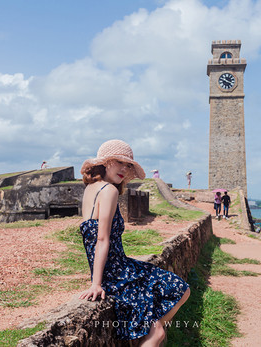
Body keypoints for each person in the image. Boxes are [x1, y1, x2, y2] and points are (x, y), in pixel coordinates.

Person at [79, 139, 190, 346]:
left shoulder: (91, 189)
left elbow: (92, 237)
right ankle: (149, 333)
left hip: (113, 269)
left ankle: (146, 331)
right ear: (106, 162)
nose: (124, 169)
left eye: (128, 165)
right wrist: (96, 284)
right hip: (118, 274)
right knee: (179, 294)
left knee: (176, 297)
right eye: (120, 162)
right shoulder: (109, 191)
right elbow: (101, 238)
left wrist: (97, 278)